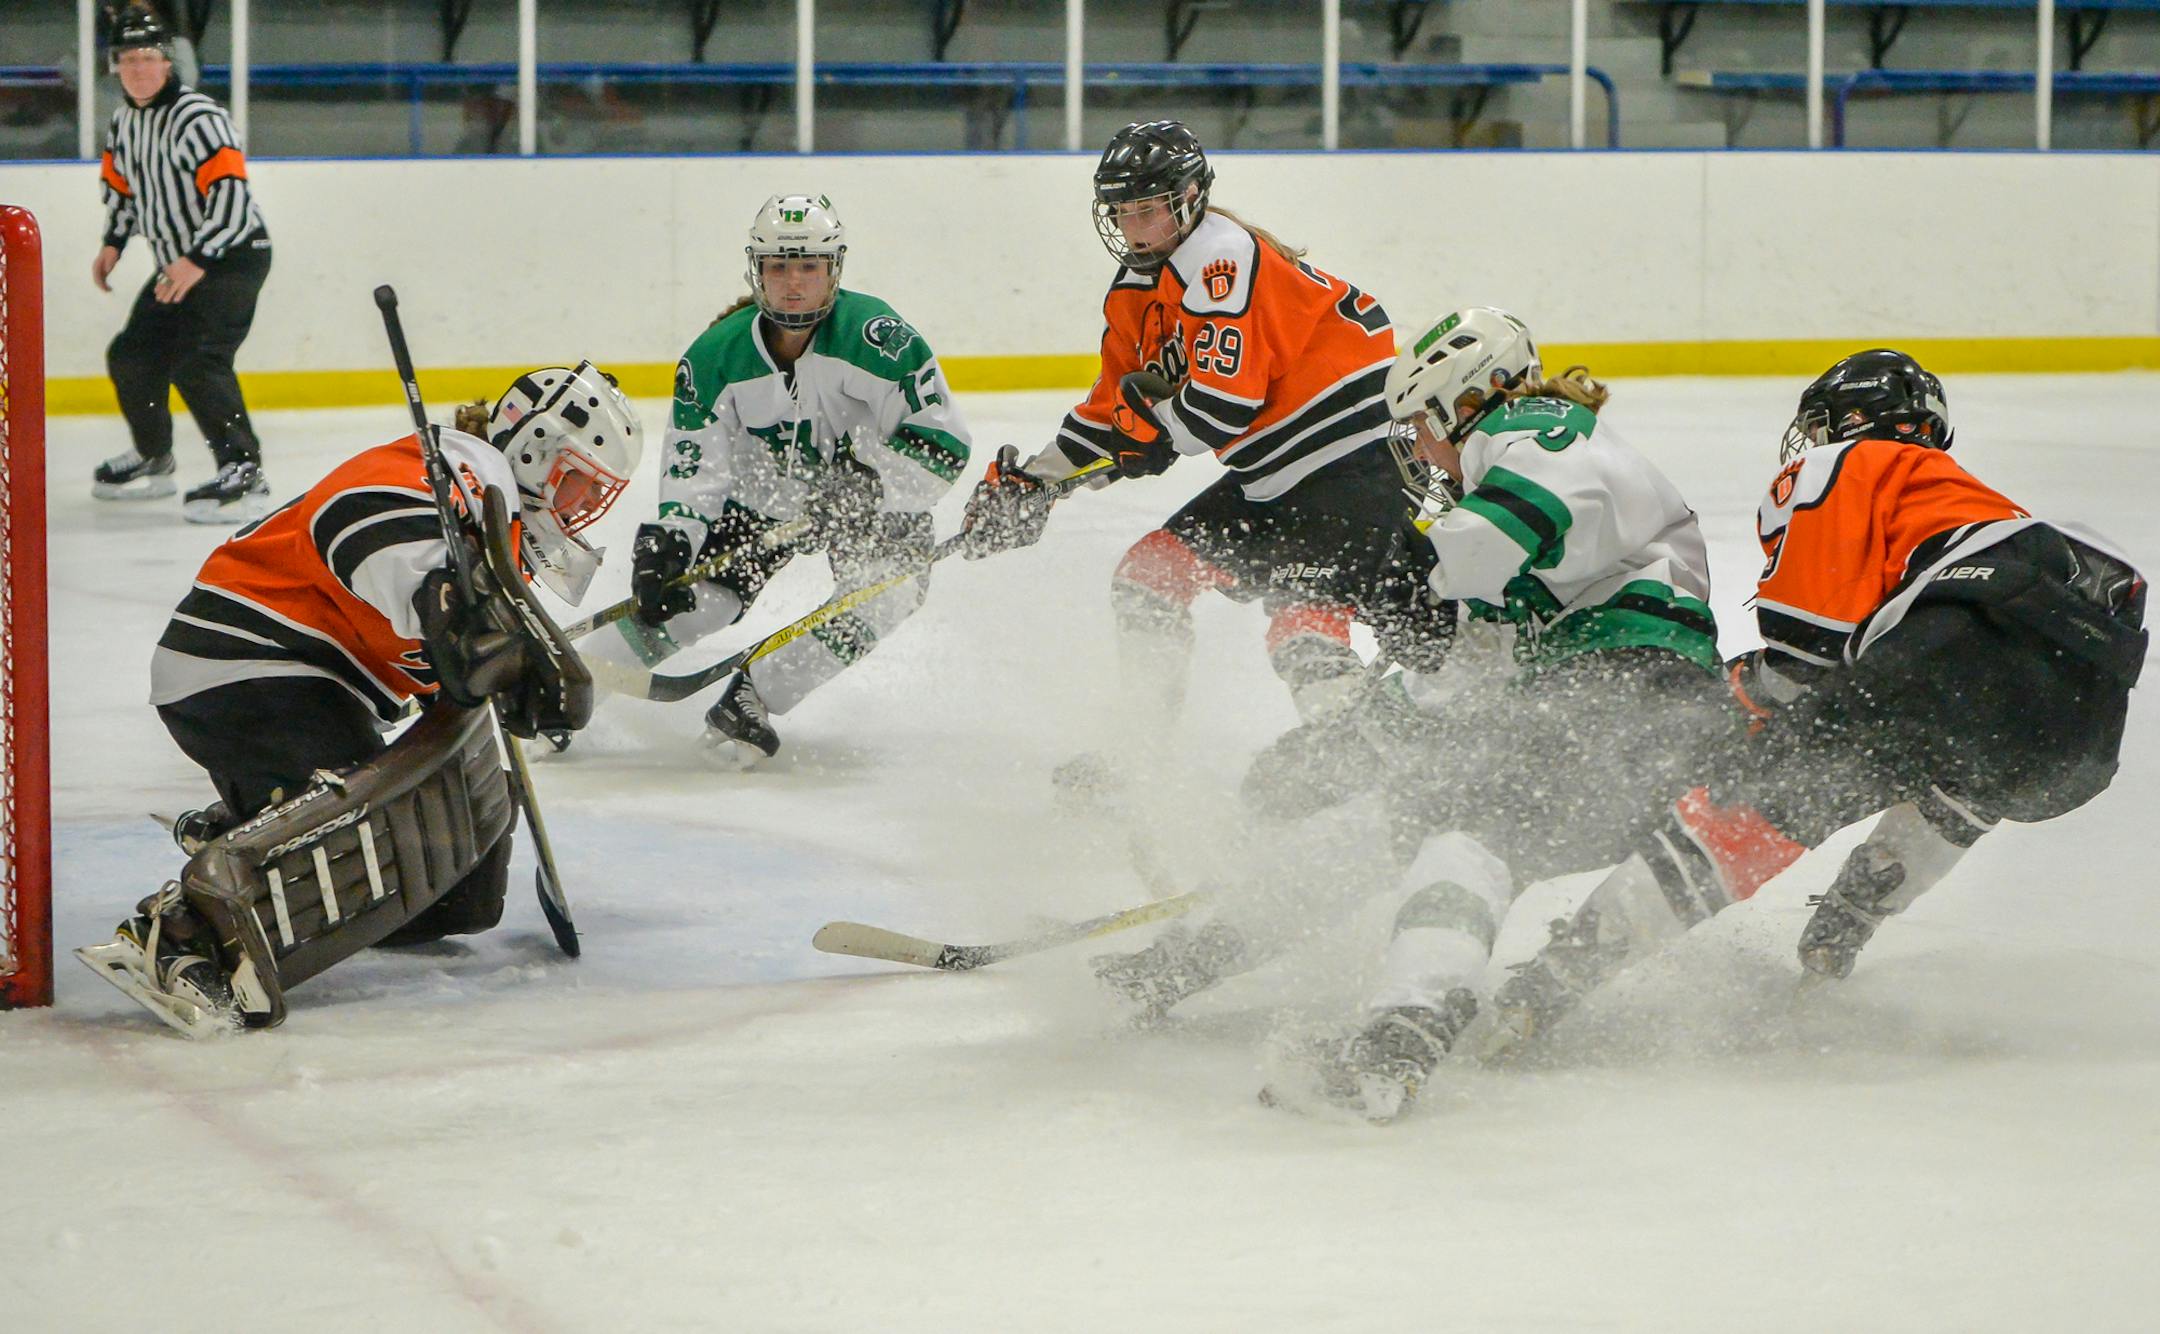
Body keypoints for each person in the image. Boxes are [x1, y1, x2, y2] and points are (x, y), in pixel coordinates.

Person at [1088, 308, 1734, 1122]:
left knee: (1464, 835)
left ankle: (1401, 1036)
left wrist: (1419, 567)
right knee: (1391, 821)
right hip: (1593, 715)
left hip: (1637, 701)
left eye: (1420, 428)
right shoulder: (1516, 544)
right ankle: (1188, 959)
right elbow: (1457, 690)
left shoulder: (1538, 430)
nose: (1418, 453)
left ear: (1464, 399)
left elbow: (1480, 549)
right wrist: (1340, 747)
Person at [1476, 349, 2147, 1060]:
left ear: (1852, 419)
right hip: (2083, 725)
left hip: (1959, 649)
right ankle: (1839, 935)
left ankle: (1548, 987)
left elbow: (1805, 655)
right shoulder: (1968, 502)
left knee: (1756, 793)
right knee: (1961, 778)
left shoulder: (1854, 461)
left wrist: (1732, 703)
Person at [77, 364, 644, 1034]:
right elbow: (355, 513)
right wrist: (443, 603)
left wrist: (511, 672)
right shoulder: (447, 471)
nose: (583, 505)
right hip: (240, 666)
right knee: (356, 843)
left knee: (450, 903)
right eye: (579, 481)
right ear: (536, 446)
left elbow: (460, 668)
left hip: (317, 691)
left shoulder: (500, 524)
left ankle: (251, 820)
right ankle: (180, 931)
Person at [959, 120, 1412, 767]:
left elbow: (1222, 409)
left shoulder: (1221, 256)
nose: (1134, 227)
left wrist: (1153, 434)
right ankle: (1142, 752)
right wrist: (1036, 482)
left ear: (1189, 197)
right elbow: (1112, 414)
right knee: (1148, 578)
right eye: (1122, 212)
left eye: (1147, 209)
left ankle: (1371, 763)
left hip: (1358, 464)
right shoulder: (1137, 292)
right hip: (1274, 477)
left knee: (1303, 623)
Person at [590, 193, 970, 765]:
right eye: (778, 267)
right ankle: (571, 684)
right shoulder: (714, 358)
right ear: (757, 271)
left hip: (868, 502)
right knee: (692, 600)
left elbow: (943, 442)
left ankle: (755, 694)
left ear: (833, 269)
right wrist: (672, 538)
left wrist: (869, 488)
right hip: (758, 496)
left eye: (809, 267)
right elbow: (696, 469)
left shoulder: (880, 340)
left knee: (886, 593)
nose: (793, 283)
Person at [88, 5, 274, 524]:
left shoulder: (201, 117)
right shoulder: (124, 121)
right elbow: (124, 190)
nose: (138, 68)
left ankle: (244, 470)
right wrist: (114, 243)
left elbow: (233, 198)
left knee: (199, 360)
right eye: (127, 59)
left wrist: (198, 260)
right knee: (132, 354)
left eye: (148, 57)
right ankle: (154, 454)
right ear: (115, 66)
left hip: (233, 256)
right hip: (181, 263)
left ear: (167, 63)